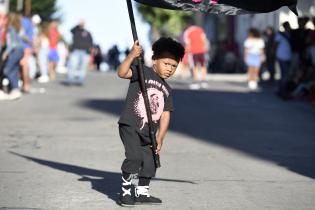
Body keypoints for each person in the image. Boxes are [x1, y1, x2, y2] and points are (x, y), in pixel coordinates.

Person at [116, 37, 185, 206]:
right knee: (134, 157)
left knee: (150, 162)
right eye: (166, 63)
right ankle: (126, 191)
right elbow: (122, 72)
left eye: (173, 66)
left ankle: (142, 193)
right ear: (154, 60)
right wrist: (132, 55)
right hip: (131, 125)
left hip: (149, 132)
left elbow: (165, 114)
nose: (169, 69)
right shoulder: (142, 71)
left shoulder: (167, 89)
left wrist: (160, 137)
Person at [66, 21, 93, 85]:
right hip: (75, 51)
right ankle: (70, 79)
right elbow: (71, 30)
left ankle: (80, 80)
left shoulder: (87, 33)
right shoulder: (76, 31)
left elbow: (91, 42)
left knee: (83, 67)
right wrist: (77, 25)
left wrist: (90, 51)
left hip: (85, 52)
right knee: (72, 65)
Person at [184, 24, 209, 89]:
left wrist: (186, 52)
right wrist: (205, 49)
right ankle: (204, 82)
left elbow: (188, 44)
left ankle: (196, 82)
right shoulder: (200, 30)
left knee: (194, 66)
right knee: (203, 65)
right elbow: (204, 40)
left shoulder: (188, 32)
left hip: (193, 52)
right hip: (202, 51)